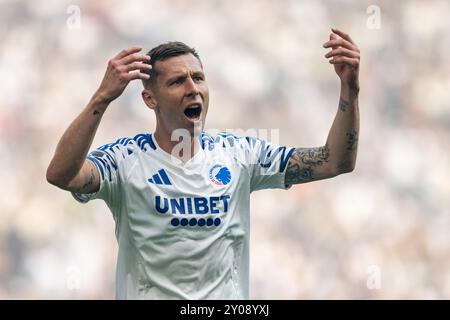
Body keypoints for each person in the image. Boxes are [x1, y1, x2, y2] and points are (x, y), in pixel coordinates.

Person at [47, 27, 360, 299]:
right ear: (150, 99)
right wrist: (102, 97)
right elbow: (61, 174)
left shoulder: (240, 153)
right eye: (177, 82)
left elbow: (334, 161)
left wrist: (350, 87)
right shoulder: (123, 161)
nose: (193, 88)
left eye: (198, 78)